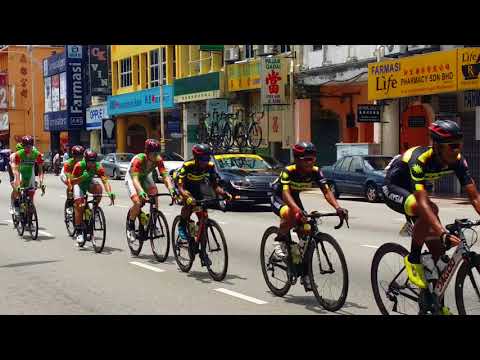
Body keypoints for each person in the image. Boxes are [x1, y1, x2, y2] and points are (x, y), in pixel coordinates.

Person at [382, 119, 480, 314]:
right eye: (452, 145)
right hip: (395, 188)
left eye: (459, 144)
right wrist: (441, 231)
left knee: (440, 260)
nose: (457, 149)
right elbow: (424, 203)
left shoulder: (458, 160)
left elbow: (474, 196)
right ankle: (414, 258)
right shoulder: (419, 159)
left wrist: (440, 234)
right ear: (437, 146)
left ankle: (435, 304)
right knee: (430, 209)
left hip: (418, 195)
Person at [271, 141, 348, 291]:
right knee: (292, 215)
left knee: (306, 233)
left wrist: (338, 208)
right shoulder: (288, 170)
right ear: (297, 159)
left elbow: (326, 191)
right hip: (279, 197)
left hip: (294, 198)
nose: (310, 162)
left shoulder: (316, 171)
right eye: (307, 159)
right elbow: (286, 194)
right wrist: (298, 211)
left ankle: (303, 272)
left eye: (312, 158)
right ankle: (279, 240)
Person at [176, 144, 232, 266]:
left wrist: (224, 194)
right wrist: (187, 197)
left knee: (203, 218)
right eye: (203, 159)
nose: (205, 162)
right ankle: (181, 224)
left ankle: (203, 253)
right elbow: (180, 187)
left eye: (207, 159)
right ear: (196, 158)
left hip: (197, 189)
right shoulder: (187, 165)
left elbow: (215, 186)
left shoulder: (210, 167)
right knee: (189, 203)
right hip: (183, 188)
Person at [125, 139, 175, 240]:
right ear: (147, 153)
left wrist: (171, 189)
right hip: (132, 178)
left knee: (155, 194)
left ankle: (153, 221)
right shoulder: (138, 159)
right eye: (153, 153)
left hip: (144, 177)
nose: (156, 155)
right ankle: (130, 225)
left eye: (157, 153)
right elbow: (135, 179)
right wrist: (141, 191)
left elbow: (165, 176)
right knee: (138, 202)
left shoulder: (158, 159)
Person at [70, 150, 115, 246]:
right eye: (90, 162)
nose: (92, 164)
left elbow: (105, 180)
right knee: (80, 205)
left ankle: (94, 210)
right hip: (78, 184)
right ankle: (79, 231)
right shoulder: (79, 165)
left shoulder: (98, 166)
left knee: (99, 188)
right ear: (85, 160)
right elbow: (72, 182)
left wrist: (110, 192)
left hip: (88, 183)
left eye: (94, 161)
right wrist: (82, 177)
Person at [10, 136, 45, 216]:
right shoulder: (19, 154)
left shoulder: (37, 154)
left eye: (30, 146)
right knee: (17, 188)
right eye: (26, 146)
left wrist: (41, 182)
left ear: (32, 145)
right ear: (23, 145)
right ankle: (15, 204)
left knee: (31, 194)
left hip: (30, 173)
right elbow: (16, 170)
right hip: (20, 172)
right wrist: (18, 183)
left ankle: (29, 218)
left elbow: (40, 171)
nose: (28, 148)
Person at [60, 145, 84, 215]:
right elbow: (69, 177)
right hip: (66, 174)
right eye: (77, 156)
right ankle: (69, 202)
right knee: (71, 185)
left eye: (81, 156)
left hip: (75, 175)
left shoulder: (84, 162)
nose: (80, 158)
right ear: (73, 156)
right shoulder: (68, 163)